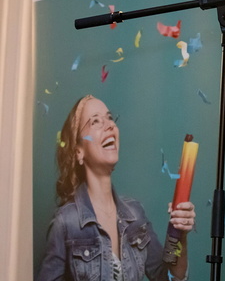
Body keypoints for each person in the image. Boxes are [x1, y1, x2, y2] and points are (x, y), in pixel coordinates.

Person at [37, 95, 196, 281]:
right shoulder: (65, 222)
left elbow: (169, 277)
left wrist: (179, 236)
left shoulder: (135, 214)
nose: (109, 125)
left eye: (110, 117)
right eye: (95, 121)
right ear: (78, 151)